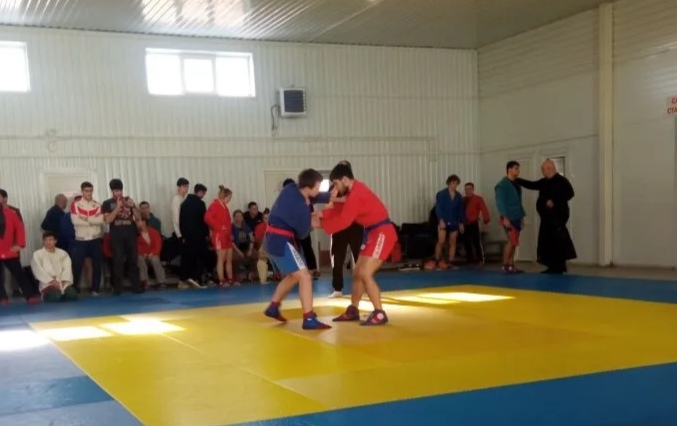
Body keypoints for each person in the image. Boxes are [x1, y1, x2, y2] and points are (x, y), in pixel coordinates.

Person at [318, 163, 397, 326]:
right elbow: (340, 208)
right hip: (372, 233)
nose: (336, 188)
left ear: (344, 179)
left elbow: (344, 221)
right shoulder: (353, 191)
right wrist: (321, 213)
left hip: (382, 233)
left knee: (365, 273)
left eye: (336, 183)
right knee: (357, 272)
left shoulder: (357, 194)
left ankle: (379, 312)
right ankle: (353, 309)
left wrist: (321, 223)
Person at [263, 169, 332, 330]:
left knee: (294, 276)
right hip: (281, 241)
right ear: (308, 187)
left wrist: (329, 196)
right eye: (317, 187)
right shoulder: (301, 208)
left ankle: (273, 307)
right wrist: (315, 221)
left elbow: (314, 196)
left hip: (273, 240)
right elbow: (302, 233)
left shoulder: (291, 188)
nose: (318, 190)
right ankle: (309, 318)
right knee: (305, 277)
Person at [516, 159, 577, 274]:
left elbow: (570, 193)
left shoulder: (561, 181)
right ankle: (552, 266)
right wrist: (517, 180)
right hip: (546, 218)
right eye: (542, 169)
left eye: (544, 169)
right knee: (547, 242)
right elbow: (532, 185)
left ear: (551, 169)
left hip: (557, 218)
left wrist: (554, 201)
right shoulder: (544, 182)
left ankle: (559, 267)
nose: (543, 171)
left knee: (557, 242)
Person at [102, 178, 144, 295]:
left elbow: (139, 218)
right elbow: (107, 220)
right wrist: (117, 208)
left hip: (130, 234)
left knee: (133, 261)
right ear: (112, 191)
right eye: (116, 191)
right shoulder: (107, 203)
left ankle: (136, 287)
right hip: (117, 236)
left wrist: (133, 206)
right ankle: (117, 288)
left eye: (120, 190)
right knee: (118, 261)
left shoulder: (128, 200)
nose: (119, 193)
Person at [327, 160, 363, 298]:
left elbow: (352, 201)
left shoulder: (355, 186)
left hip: (355, 225)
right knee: (337, 258)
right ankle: (337, 288)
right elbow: (329, 205)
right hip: (339, 227)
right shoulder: (333, 187)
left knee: (359, 256)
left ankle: (363, 285)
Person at [0, 205, 40, 305]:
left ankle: (29, 295)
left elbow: (19, 228)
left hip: (9, 250)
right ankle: (2, 298)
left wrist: (20, 244)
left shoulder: (11, 213)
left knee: (19, 274)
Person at [426, 174, 465, 270]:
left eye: (456, 183)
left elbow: (460, 210)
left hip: (454, 220)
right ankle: (436, 260)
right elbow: (438, 208)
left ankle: (451, 261)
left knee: (453, 241)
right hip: (443, 220)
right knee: (441, 241)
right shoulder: (442, 194)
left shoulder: (458, 196)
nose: (454, 185)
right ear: (449, 183)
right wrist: (441, 220)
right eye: (453, 183)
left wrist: (461, 223)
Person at [70, 182, 104, 294]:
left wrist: (86, 219)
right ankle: (74, 289)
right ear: (82, 191)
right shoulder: (75, 204)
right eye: (86, 191)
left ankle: (95, 289)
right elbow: (75, 221)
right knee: (77, 266)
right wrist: (93, 220)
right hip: (81, 240)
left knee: (97, 265)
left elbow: (100, 221)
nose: (89, 193)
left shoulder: (97, 205)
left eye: (90, 190)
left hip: (95, 239)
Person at [495, 161, 527, 274]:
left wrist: (522, 217)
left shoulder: (517, 185)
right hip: (508, 216)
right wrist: (504, 217)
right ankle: (505, 265)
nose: (518, 171)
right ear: (509, 169)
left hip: (517, 215)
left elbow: (519, 202)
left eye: (518, 168)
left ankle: (511, 264)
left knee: (514, 242)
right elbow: (500, 201)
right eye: (516, 168)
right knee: (511, 240)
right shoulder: (502, 185)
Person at [31, 232, 77, 302]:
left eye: (50, 240)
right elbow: (38, 270)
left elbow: (67, 268)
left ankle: (62, 293)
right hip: (47, 283)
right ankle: (45, 295)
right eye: (46, 240)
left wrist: (64, 280)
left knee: (72, 295)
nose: (48, 242)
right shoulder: (37, 254)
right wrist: (52, 281)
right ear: (43, 241)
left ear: (55, 241)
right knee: (56, 296)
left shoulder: (62, 253)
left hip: (62, 282)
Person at [179, 183, 208, 289]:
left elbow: (181, 221)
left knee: (187, 258)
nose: (204, 195)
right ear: (200, 192)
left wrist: (183, 235)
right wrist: (206, 234)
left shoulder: (184, 203)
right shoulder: (201, 204)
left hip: (187, 236)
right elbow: (204, 220)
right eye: (203, 193)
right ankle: (197, 278)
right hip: (199, 236)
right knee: (200, 258)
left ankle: (185, 279)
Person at [204, 186, 235, 286]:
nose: (230, 199)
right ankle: (222, 280)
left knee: (229, 258)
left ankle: (230, 279)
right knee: (221, 259)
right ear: (224, 196)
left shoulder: (224, 207)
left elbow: (228, 223)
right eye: (229, 197)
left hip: (227, 236)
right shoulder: (215, 205)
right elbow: (207, 218)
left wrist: (230, 234)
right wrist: (219, 227)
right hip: (219, 236)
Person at [463, 182, 491, 264]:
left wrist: (486, 219)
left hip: (473, 223)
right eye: (466, 189)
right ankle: (470, 259)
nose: (467, 190)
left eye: (469, 189)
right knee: (466, 242)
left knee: (476, 241)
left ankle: (480, 259)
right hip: (464, 224)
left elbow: (484, 209)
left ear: (473, 189)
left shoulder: (478, 199)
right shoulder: (462, 199)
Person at [137, 218, 166, 288]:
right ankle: (144, 281)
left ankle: (161, 282)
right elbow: (136, 247)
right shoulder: (136, 234)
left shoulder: (154, 232)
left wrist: (153, 253)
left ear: (144, 223)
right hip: (142, 254)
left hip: (153, 254)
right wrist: (143, 254)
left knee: (155, 260)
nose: (138, 223)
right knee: (139, 259)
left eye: (139, 221)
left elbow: (158, 245)